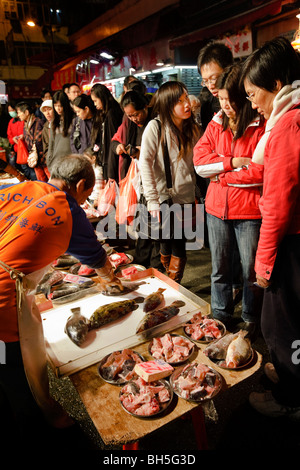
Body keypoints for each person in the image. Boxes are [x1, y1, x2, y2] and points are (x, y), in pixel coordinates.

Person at [0, 153, 123, 451]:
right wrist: (114, 282)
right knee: (17, 370)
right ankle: (38, 432)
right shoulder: (67, 209)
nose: (84, 204)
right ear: (80, 185)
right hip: (2, 299)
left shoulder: (22, 187)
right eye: (85, 197)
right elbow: (97, 259)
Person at [235, 37, 300, 419]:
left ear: (276, 84)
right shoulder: (291, 116)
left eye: (253, 93)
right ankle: (293, 380)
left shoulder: (288, 122)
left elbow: (278, 201)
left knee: (282, 326)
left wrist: (263, 266)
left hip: (292, 242)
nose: (252, 102)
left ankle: (291, 402)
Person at [193, 64, 266, 335]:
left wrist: (221, 175)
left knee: (250, 272)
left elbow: (261, 172)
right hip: (216, 210)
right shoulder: (216, 122)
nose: (224, 105)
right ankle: (220, 315)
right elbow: (200, 163)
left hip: (248, 211)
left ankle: (251, 318)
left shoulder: (260, 125)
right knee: (219, 269)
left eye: (229, 99)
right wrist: (232, 162)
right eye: (220, 99)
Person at [139, 81, 201, 283]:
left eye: (186, 99)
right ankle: (171, 279)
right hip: (162, 195)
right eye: (180, 101)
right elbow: (145, 163)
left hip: (185, 194)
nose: (186, 105)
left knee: (179, 242)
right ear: (167, 105)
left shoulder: (192, 129)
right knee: (169, 241)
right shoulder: (155, 127)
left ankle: (174, 282)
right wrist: (152, 199)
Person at [90, 83, 123, 181]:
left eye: (96, 101)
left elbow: (112, 141)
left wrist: (110, 167)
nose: (95, 104)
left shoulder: (112, 113)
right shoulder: (105, 113)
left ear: (102, 97)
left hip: (112, 162)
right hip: (108, 161)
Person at [15, 101, 49, 182]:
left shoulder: (39, 122)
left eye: (19, 112)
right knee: (41, 182)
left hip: (44, 159)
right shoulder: (26, 124)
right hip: (35, 161)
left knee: (50, 181)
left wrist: (33, 152)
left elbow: (40, 140)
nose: (18, 115)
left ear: (26, 112)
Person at [47, 90, 74, 170]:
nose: (58, 109)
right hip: (56, 162)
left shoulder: (74, 119)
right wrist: (49, 161)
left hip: (71, 161)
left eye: (60, 106)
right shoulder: (53, 121)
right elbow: (51, 143)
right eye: (55, 106)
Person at [6, 100, 24, 168]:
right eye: (9, 111)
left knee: (26, 168)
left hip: (24, 147)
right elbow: (9, 136)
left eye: (12, 110)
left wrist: (23, 137)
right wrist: (13, 140)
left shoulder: (22, 119)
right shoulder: (11, 122)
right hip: (16, 149)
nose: (11, 112)